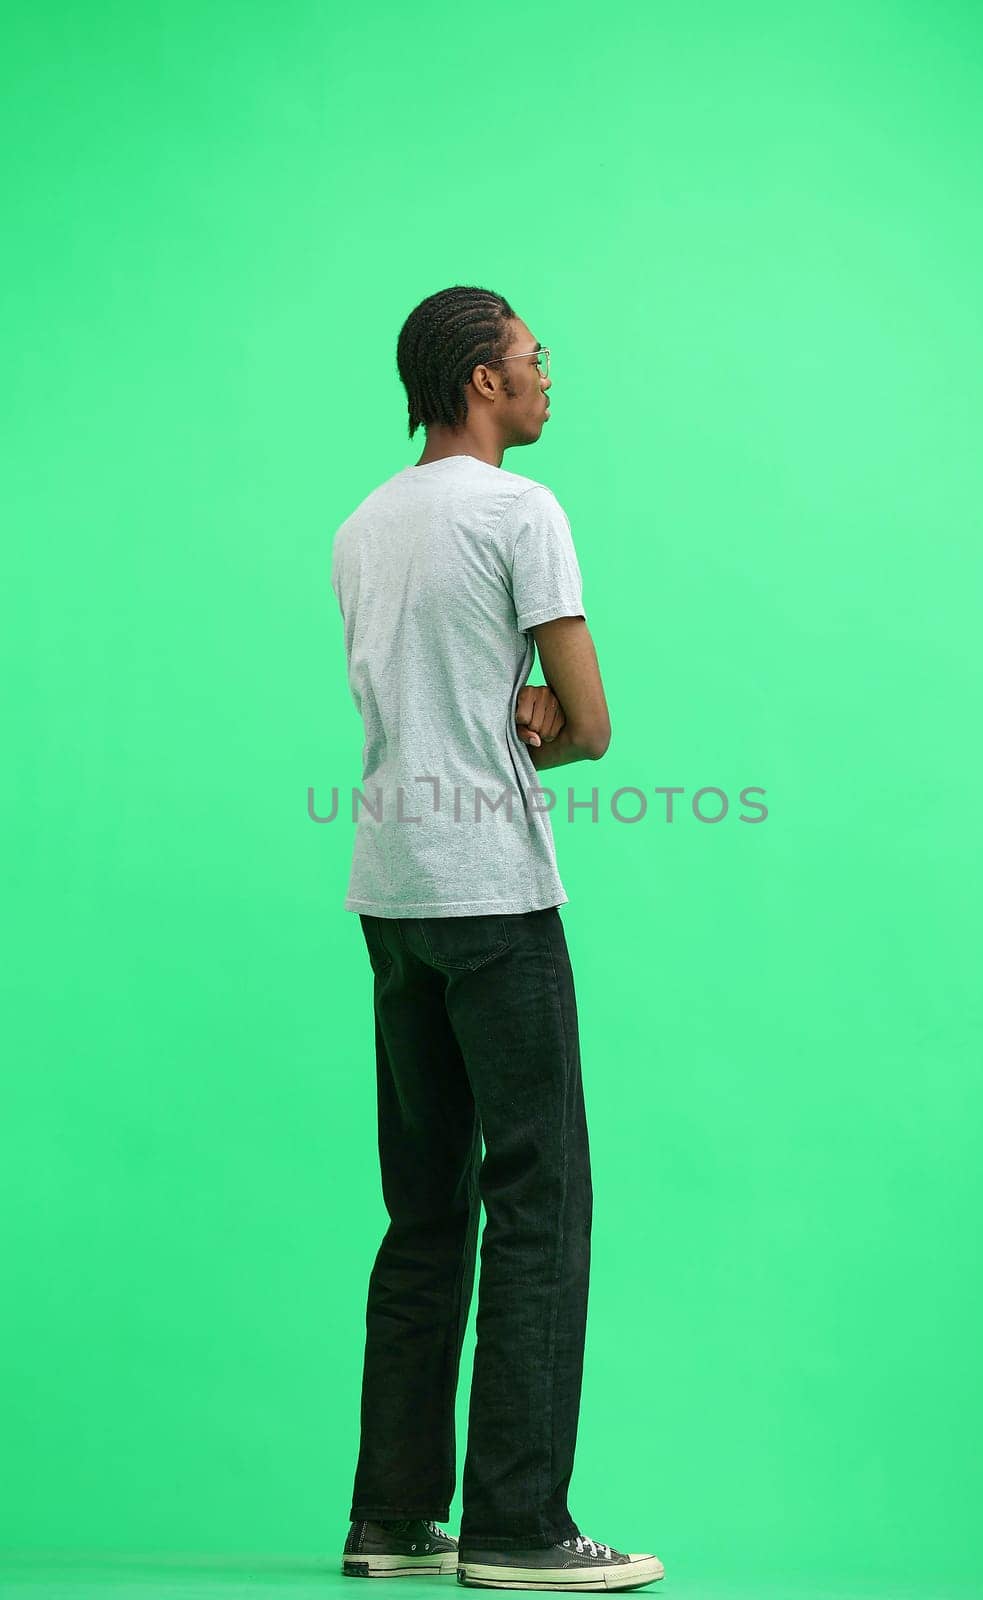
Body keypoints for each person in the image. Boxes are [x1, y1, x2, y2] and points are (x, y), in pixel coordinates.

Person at [330, 284, 664, 1590]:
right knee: (540, 1199)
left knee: (425, 1210)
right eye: (531, 359)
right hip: (493, 891)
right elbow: (589, 724)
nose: (545, 379)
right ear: (479, 378)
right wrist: (537, 723)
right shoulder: (522, 511)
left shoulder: (363, 524)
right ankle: (519, 1526)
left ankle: (395, 1517)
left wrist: (496, 707)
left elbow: (421, 690)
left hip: (392, 891)